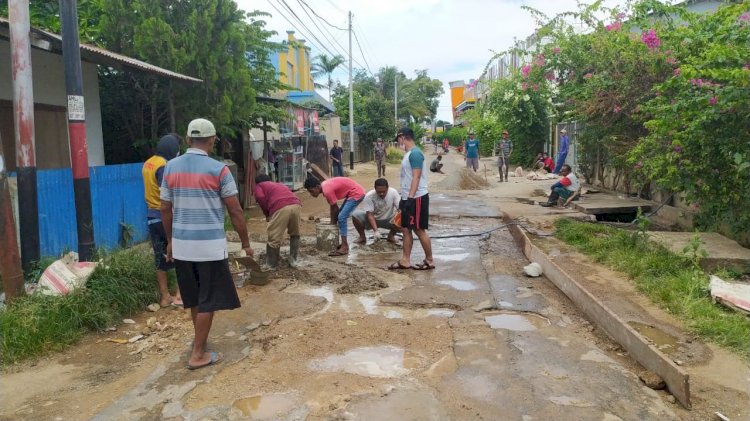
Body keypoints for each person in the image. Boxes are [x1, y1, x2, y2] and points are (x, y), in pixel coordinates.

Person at [160, 118, 251, 370]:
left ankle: (199, 342)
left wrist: (170, 241)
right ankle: (198, 354)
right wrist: (245, 242)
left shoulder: (170, 168)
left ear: (188, 139)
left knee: (194, 299)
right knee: (209, 300)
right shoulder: (218, 169)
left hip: (182, 246)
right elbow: (235, 210)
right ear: (212, 140)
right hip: (209, 248)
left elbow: (165, 209)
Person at [142, 134, 183, 308]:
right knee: (181, 255)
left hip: (152, 218)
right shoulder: (164, 166)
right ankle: (180, 296)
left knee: (159, 257)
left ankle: (165, 296)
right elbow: (166, 193)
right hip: (166, 217)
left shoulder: (148, 163)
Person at [389, 127, 434, 271]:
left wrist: (410, 199)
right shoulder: (408, 154)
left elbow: (417, 176)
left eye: (398, 140)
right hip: (407, 196)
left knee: (419, 230)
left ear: (403, 137)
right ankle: (405, 260)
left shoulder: (415, 154)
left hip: (416, 197)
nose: (398, 143)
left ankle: (429, 260)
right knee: (405, 228)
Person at [304, 176, 365, 256]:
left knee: (341, 217)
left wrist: (332, 224)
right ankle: (354, 240)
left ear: (317, 187)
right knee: (341, 216)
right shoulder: (325, 186)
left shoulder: (327, 190)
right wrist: (332, 223)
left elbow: (334, 208)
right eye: (309, 192)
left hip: (356, 193)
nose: (311, 194)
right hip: (352, 193)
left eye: (312, 191)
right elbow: (333, 207)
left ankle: (344, 247)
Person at [253, 174, 302, 269]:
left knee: (274, 237)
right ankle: (294, 260)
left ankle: (272, 265)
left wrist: (267, 214)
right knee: (295, 233)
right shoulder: (279, 184)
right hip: (296, 204)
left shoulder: (259, 186)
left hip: (280, 207)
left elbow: (260, 198)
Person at [352, 178, 400, 245]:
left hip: (389, 219)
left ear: (387, 188)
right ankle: (362, 237)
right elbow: (369, 214)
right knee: (355, 215)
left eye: (384, 191)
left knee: (403, 216)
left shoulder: (393, 192)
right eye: (379, 192)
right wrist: (376, 231)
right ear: (375, 189)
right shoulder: (369, 196)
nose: (381, 194)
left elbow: (399, 209)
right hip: (373, 219)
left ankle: (391, 236)